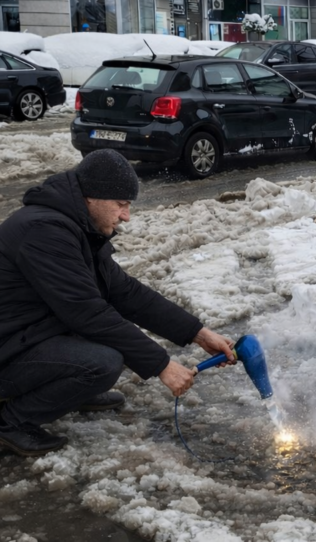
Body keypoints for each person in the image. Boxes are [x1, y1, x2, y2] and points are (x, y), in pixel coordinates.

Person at [0, 150, 236, 457]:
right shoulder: (45, 231)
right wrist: (161, 365)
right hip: (7, 346)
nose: (126, 215)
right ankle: (10, 423)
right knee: (103, 362)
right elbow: (86, 312)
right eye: (121, 204)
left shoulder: (75, 225)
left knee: (111, 340)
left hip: (23, 334)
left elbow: (125, 292)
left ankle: (69, 394)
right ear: (92, 197)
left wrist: (198, 332)